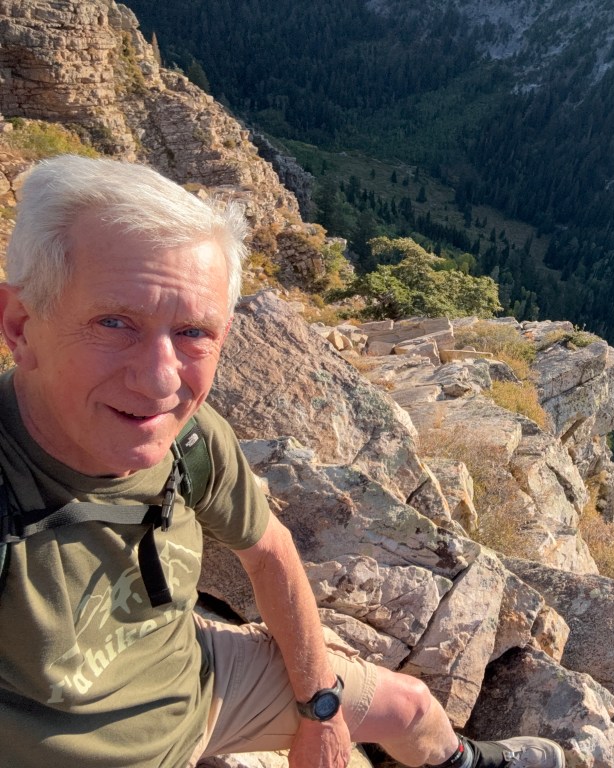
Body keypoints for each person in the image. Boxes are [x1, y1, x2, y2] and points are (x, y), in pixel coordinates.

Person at [0, 154, 566, 768]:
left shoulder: (190, 440)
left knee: (411, 709)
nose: (161, 380)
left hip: (193, 684)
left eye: (193, 332)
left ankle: (465, 762)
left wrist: (320, 709)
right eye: (114, 323)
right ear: (21, 325)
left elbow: (269, 552)